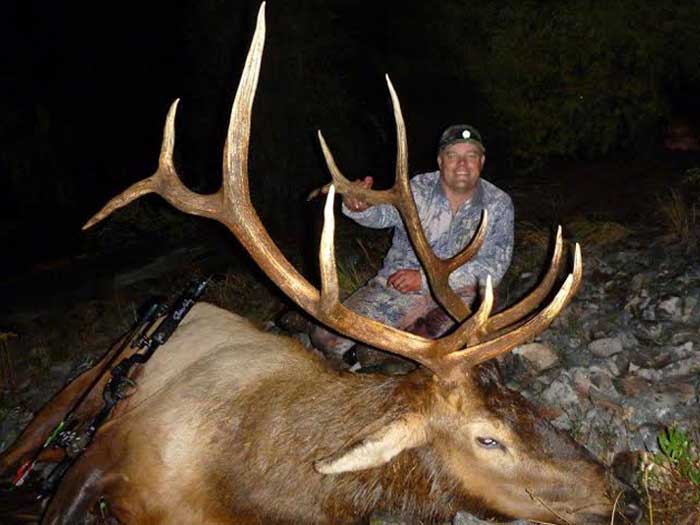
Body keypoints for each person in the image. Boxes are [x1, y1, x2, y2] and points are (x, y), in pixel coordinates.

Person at [310, 124, 514, 368]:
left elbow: (494, 266)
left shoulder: (498, 203)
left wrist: (425, 281)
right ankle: (384, 352)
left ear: (481, 161)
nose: (462, 164)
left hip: (457, 294)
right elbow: (382, 215)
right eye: (452, 155)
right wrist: (361, 207)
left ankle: (388, 354)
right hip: (399, 288)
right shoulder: (416, 190)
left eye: (471, 155)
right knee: (326, 337)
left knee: (459, 340)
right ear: (440, 161)